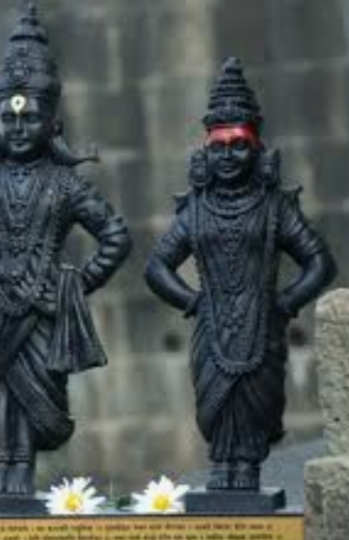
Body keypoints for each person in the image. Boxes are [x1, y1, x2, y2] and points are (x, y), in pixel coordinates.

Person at [0, 3, 131, 496]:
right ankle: (2, 467)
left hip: (42, 311)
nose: (19, 128)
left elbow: (115, 236)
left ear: (51, 124)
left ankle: (20, 468)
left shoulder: (66, 185)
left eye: (30, 118)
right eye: (10, 119)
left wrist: (74, 285)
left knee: (36, 396)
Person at [145, 58, 336, 491]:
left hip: (262, 326)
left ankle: (247, 471)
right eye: (219, 147)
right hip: (211, 327)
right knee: (215, 406)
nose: (228, 156)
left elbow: (320, 262)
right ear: (205, 153)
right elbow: (156, 267)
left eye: (239, 145)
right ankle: (222, 468)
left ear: (257, 150)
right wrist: (192, 301)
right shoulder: (196, 211)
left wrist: (286, 302)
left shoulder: (274, 207)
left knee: (256, 405)